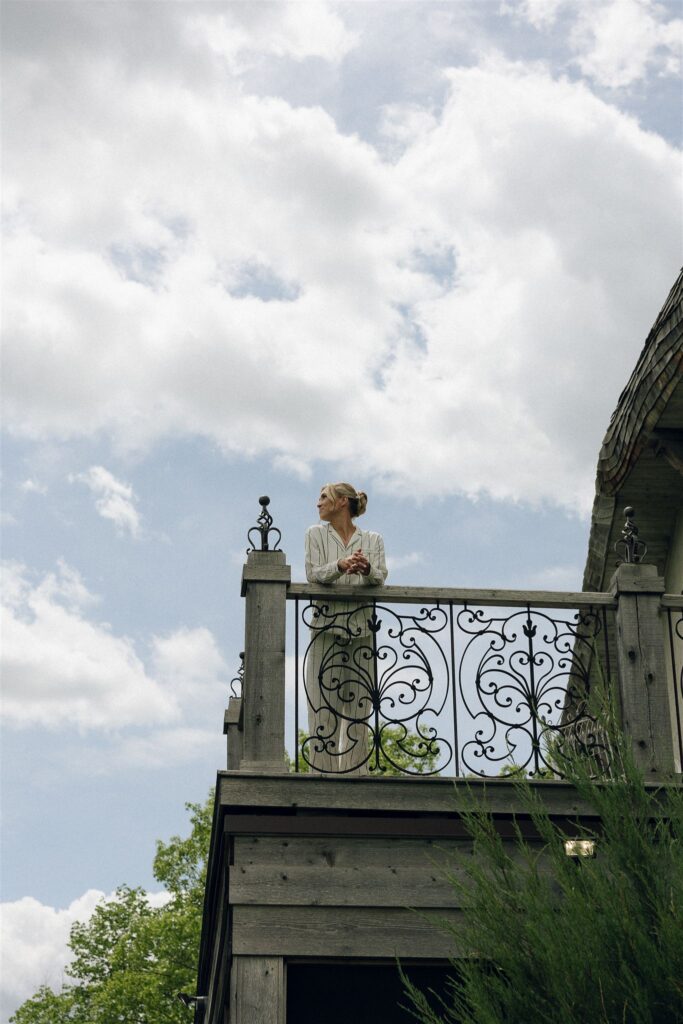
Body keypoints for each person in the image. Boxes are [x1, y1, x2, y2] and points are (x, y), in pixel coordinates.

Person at [304, 483, 388, 773]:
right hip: (325, 630)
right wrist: (340, 565)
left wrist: (366, 570)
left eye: (323, 497)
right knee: (321, 710)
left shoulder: (372, 539)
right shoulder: (315, 534)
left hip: (362, 633)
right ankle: (321, 778)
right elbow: (313, 573)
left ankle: (357, 779)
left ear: (342, 502)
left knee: (359, 712)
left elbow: (380, 577)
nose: (318, 503)